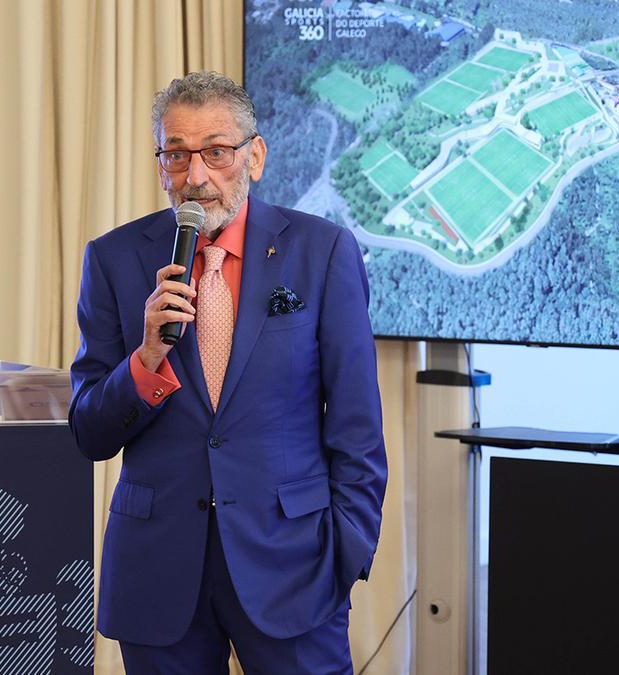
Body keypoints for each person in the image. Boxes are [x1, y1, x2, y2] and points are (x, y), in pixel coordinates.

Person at [69, 71, 387, 674]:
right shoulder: (113, 259)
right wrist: (145, 361)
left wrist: (347, 553)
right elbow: (90, 432)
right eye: (178, 155)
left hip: (295, 570)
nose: (197, 177)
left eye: (216, 152)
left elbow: (357, 427)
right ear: (161, 162)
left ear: (255, 156)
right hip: (158, 576)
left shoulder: (322, 252)